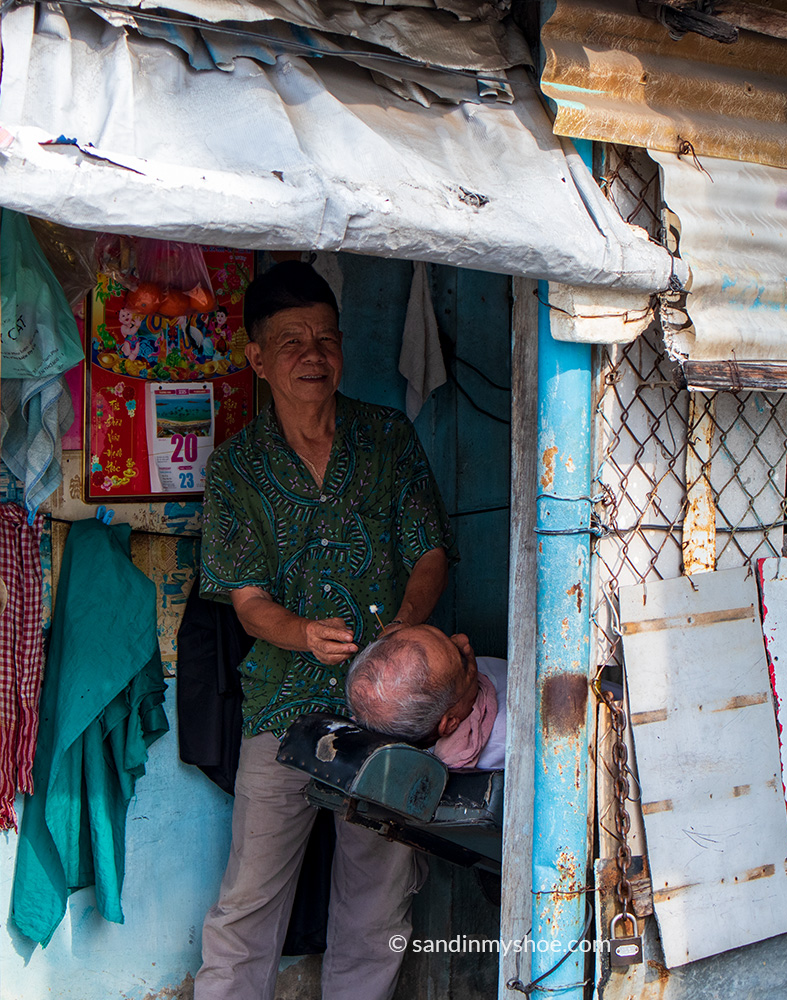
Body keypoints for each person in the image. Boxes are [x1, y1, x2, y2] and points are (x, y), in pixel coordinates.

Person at [194, 261, 457, 1000]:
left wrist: (406, 624)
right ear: (256, 358)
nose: (313, 355)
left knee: (379, 895)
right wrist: (304, 633)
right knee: (249, 898)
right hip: (284, 705)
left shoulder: (386, 438)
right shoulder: (238, 467)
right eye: (291, 342)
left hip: (389, 708)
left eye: (326, 338)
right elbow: (246, 602)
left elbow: (431, 549)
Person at [346, 625, 506, 770]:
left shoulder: (451, 684)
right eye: (461, 657)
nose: (462, 639)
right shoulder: (508, 737)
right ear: (450, 724)